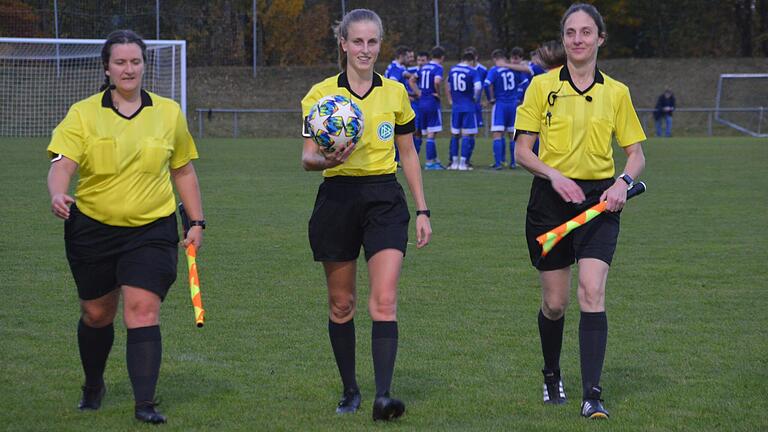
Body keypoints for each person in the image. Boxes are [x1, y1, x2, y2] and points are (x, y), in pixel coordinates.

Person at [46, 29, 204, 424]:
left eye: (135, 61)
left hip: (151, 228)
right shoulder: (83, 113)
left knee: (142, 309)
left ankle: (145, 404)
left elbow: (183, 169)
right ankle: (93, 383)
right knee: (97, 314)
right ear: (107, 68)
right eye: (120, 62)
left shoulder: (168, 113)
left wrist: (197, 220)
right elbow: (62, 164)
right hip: (94, 229)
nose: (128, 69)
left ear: (144, 66)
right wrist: (58, 193)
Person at [513, 3, 646, 419]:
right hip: (550, 202)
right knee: (555, 303)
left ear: (600, 38)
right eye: (570, 32)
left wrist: (622, 183)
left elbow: (636, 154)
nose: (577, 39)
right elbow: (521, 151)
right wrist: (554, 175)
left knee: (591, 290)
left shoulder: (617, 93)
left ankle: (592, 394)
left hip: (599, 203)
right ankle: (552, 375)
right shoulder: (541, 87)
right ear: (564, 38)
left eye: (586, 32)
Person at [300, 9, 432, 422]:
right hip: (337, 199)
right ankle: (350, 391)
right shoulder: (321, 95)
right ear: (343, 44)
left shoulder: (395, 92)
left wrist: (422, 208)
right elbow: (306, 158)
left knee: (385, 299)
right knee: (341, 304)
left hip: (384, 199)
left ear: (380, 44)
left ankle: (384, 396)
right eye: (357, 41)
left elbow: (408, 154)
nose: (365, 49)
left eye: (372, 42)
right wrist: (328, 159)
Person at [485, 49, 526, 169]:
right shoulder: (514, 69)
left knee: (497, 134)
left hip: (500, 105)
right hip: (513, 105)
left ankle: (498, 163)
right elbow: (525, 83)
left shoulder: (494, 70)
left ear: (495, 59)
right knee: (512, 134)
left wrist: (490, 98)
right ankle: (513, 162)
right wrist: (519, 97)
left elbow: (487, 84)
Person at [446, 50, 482, 170]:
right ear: (472, 61)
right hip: (468, 106)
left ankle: (454, 163)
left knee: (455, 134)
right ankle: (463, 163)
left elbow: (448, 85)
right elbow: (478, 87)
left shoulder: (452, 69)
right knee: (466, 134)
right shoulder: (472, 71)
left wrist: (451, 99)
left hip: (456, 107)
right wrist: (475, 98)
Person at [411, 46, 446, 170]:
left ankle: (434, 160)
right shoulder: (438, 68)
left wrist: (419, 92)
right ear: (442, 57)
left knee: (426, 133)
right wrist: (438, 93)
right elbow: (437, 81)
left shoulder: (423, 67)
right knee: (431, 134)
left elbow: (412, 80)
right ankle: (430, 162)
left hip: (422, 103)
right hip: (431, 102)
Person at [384, 45, 414, 162]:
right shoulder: (397, 68)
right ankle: (394, 160)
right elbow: (393, 82)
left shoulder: (392, 66)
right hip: (393, 104)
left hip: (388, 102)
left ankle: (393, 159)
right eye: (407, 56)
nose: (409, 59)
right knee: (399, 134)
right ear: (401, 56)